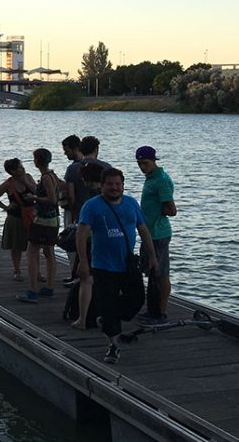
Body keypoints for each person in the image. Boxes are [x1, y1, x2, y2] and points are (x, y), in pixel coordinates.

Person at [76, 168, 157, 364]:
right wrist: (84, 263)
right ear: (102, 185)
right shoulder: (92, 206)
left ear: (123, 185)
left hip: (128, 264)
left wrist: (152, 256)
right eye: (110, 184)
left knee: (136, 300)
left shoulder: (131, 203)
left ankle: (107, 319)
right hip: (103, 266)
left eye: (118, 184)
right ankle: (113, 345)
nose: (114, 188)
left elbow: (143, 229)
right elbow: (81, 233)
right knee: (109, 305)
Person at [135, 146, 177, 325]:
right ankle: (153, 310)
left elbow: (171, 209)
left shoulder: (161, 180)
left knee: (160, 273)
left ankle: (160, 312)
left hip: (158, 234)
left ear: (154, 161)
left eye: (145, 163)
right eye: (139, 164)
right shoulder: (151, 178)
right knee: (152, 273)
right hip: (148, 233)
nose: (142, 167)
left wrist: (157, 213)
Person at [17, 148, 59, 303]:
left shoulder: (46, 178)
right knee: (49, 252)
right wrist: (29, 184)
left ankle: (32, 290)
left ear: (37, 161)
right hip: (53, 220)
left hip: (43, 220)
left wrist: (34, 197)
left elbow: (52, 200)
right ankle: (49, 287)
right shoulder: (51, 175)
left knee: (31, 253)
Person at [70, 160, 105, 329]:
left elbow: (83, 229)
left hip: (92, 242)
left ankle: (82, 319)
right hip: (108, 242)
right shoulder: (110, 197)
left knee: (86, 280)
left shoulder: (90, 200)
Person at [0, 158, 36, 282]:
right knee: (16, 246)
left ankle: (36, 271)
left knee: (34, 245)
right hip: (15, 217)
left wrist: (26, 182)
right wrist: (6, 207)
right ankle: (17, 270)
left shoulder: (28, 177)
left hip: (32, 216)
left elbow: (37, 191)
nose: (22, 169)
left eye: (22, 166)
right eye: (19, 167)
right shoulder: (8, 184)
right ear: (12, 171)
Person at [61, 135, 85, 284]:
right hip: (87, 211)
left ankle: (74, 274)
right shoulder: (91, 165)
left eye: (67, 150)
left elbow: (71, 195)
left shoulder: (72, 168)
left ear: (75, 148)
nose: (65, 154)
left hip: (74, 211)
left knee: (71, 244)